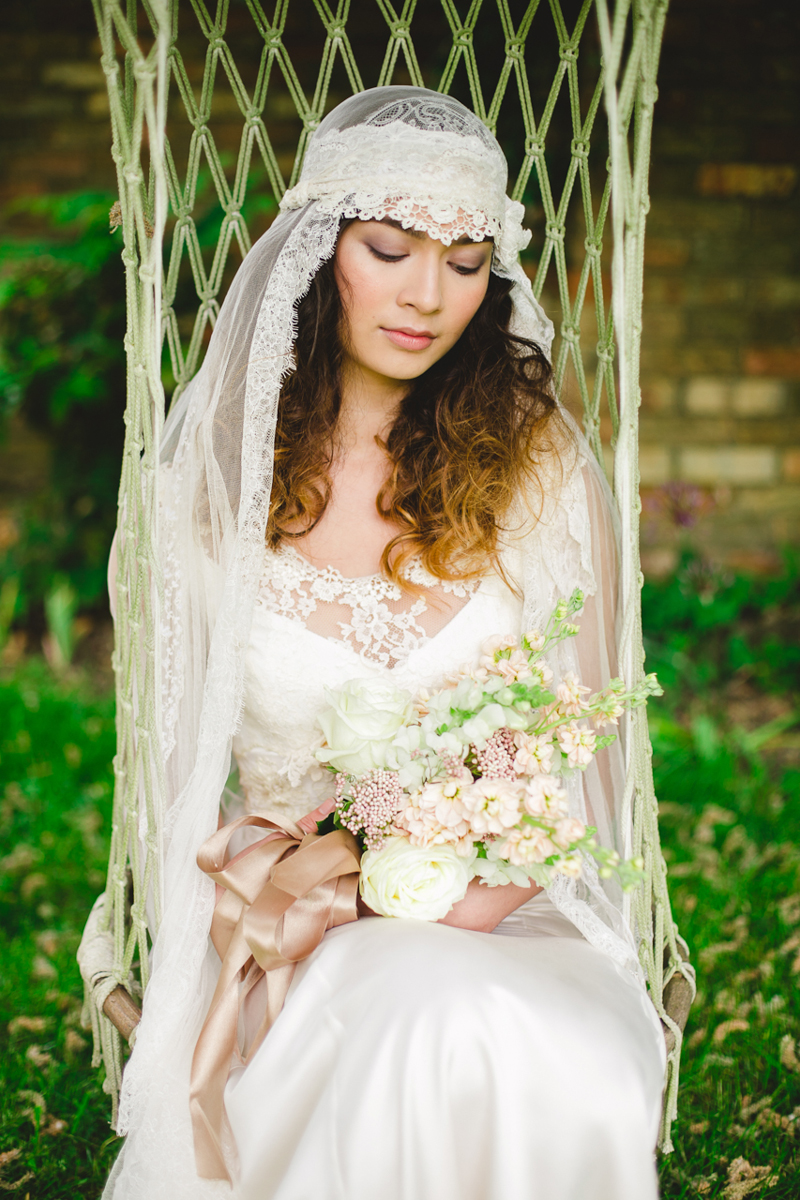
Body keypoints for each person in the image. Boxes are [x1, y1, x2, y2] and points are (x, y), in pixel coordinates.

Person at [102, 87, 666, 1200]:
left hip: (512, 918)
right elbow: (171, 782)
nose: (427, 296)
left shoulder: (539, 472)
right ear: (321, 255)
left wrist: (464, 880)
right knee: (415, 1024)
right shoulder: (211, 485)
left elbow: (585, 746)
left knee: (471, 1023)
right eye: (391, 251)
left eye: (466, 263)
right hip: (288, 935)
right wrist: (266, 912)